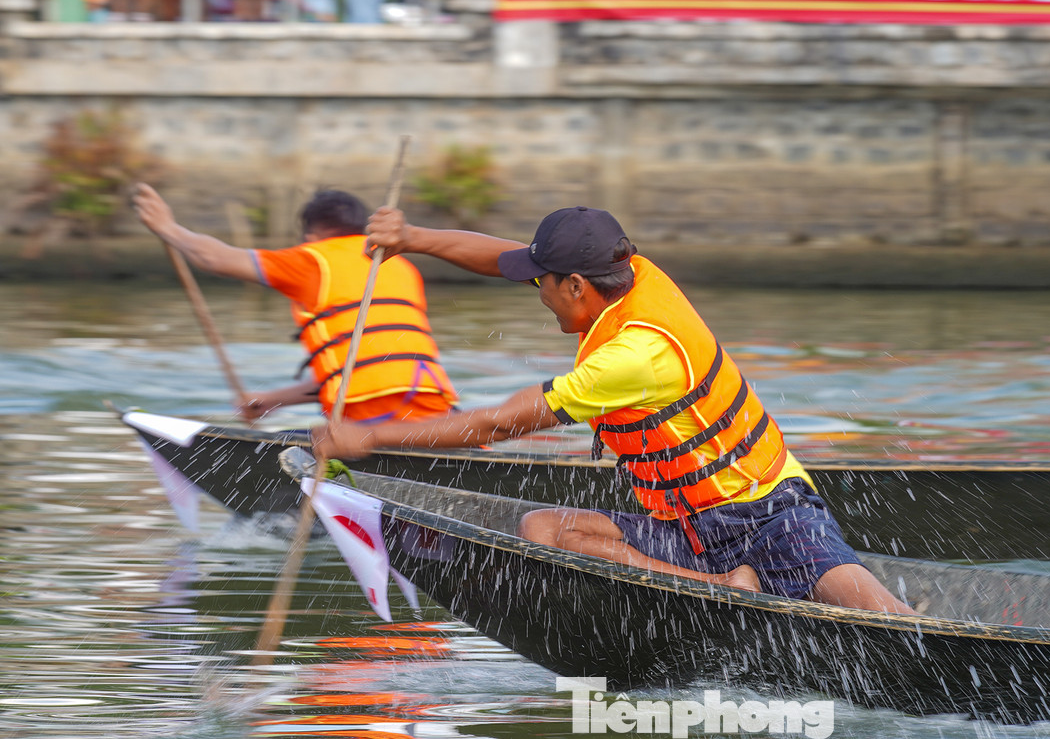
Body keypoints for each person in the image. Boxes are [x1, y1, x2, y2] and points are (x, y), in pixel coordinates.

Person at [313, 206, 914, 614]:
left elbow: (497, 425)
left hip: (772, 512)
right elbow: (503, 258)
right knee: (544, 530)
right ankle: (724, 588)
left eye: (542, 283)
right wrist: (411, 239)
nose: (536, 293)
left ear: (575, 285)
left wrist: (366, 439)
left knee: (898, 626)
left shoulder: (633, 355)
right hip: (693, 531)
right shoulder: (625, 272)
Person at [132, 184, 458, 425]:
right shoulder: (399, 264)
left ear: (310, 234)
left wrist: (168, 229)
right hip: (438, 415)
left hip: (373, 419)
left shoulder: (313, 260)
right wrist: (273, 400)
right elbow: (363, 365)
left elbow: (214, 257)